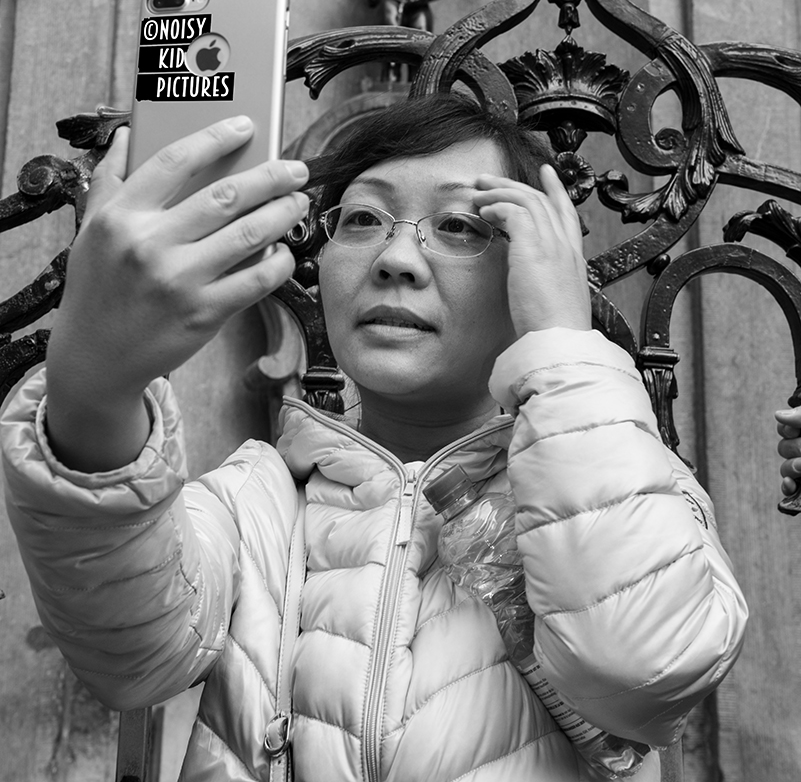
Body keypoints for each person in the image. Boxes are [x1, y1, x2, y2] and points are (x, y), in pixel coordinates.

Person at [2, 95, 747, 782]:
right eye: (362, 219)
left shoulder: (637, 488)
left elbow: (642, 669)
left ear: (532, 269)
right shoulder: (255, 501)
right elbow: (128, 658)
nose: (395, 259)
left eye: (459, 227)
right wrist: (94, 388)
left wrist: (560, 340)